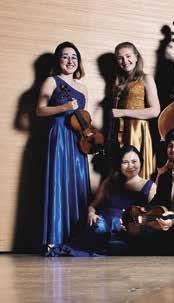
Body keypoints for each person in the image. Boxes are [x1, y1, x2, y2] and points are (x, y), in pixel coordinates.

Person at [36, 41, 90, 256]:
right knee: (58, 183)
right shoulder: (51, 81)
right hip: (59, 135)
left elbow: (83, 118)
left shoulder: (83, 88)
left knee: (77, 185)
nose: (70, 61)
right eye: (65, 56)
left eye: (74, 57)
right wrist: (63, 107)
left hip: (78, 139)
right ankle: (54, 237)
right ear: (58, 60)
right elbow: (40, 110)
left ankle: (77, 237)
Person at [81, 146, 156, 254]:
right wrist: (91, 213)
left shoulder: (150, 186)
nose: (130, 166)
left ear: (141, 162)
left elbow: (152, 217)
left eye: (134, 161)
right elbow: (93, 205)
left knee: (123, 244)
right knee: (98, 229)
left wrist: (137, 226)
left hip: (128, 231)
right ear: (119, 164)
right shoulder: (110, 181)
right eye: (125, 162)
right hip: (103, 226)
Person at [112, 42, 160, 179]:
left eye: (128, 56)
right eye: (120, 58)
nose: (125, 61)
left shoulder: (146, 78)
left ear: (136, 56)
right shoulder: (119, 82)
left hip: (138, 130)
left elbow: (155, 111)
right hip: (122, 130)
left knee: (138, 172)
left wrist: (122, 112)